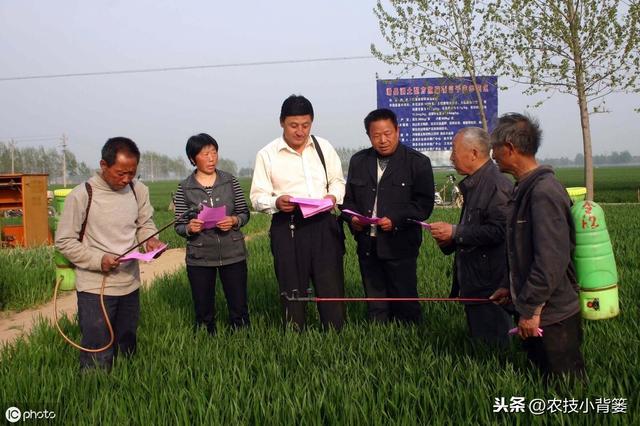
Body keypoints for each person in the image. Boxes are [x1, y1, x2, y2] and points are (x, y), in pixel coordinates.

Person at [489, 113, 586, 381]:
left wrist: (531, 309)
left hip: (552, 316)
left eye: (495, 148)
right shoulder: (524, 189)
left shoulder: (544, 192)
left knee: (565, 390)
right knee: (541, 383)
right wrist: (510, 287)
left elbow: (550, 260)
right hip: (538, 311)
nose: (493, 154)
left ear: (509, 148)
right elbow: (522, 252)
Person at [55, 137, 163, 370]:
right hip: (95, 287)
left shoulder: (138, 190)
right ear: (104, 165)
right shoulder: (83, 195)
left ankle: (126, 391)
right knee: (98, 346)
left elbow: (145, 223)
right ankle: (94, 394)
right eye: (120, 173)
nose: (126, 179)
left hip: (130, 283)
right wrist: (98, 260)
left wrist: (150, 241)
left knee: (127, 345)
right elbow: (64, 241)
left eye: (131, 173)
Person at [250, 95, 345, 331]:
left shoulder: (324, 147)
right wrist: (276, 202)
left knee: (330, 284)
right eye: (294, 125)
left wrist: (332, 197)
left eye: (306, 125)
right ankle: (295, 335)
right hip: (288, 224)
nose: (300, 132)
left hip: (324, 223)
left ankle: (335, 334)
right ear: (282, 122)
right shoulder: (267, 154)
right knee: (292, 285)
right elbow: (257, 195)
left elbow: (337, 181)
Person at [341, 108, 434, 324]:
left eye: (387, 133)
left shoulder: (417, 162)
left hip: (400, 244)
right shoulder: (359, 161)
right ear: (369, 136)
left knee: (405, 300)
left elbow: (423, 205)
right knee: (375, 304)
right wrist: (352, 219)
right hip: (367, 243)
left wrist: (395, 219)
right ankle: (379, 339)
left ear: (397, 131)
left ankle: (409, 340)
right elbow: (348, 202)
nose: (383, 140)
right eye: (376, 135)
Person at [429, 127, 513, 346]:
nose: (451, 157)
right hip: (476, 279)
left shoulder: (496, 185)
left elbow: (501, 230)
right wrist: (450, 238)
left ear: (474, 153)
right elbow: (475, 228)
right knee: (481, 343)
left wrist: (456, 232)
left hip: (492, 283)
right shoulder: (475, 183)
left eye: (454, 151)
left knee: (494, 348)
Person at [174, 133, 250, 334]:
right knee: (203, 307)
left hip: (232, 251)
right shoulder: (185, 187)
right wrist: (190, 228)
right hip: (200, 255)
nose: (211, 158)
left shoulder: (230, 181)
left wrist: (234, 220)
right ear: (192, 159)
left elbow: (244, 212)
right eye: (205, 154)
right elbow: (179, 224)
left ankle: (242, 337)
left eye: (214, 153)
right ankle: (206, 339)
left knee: (239, 305)